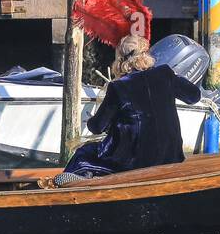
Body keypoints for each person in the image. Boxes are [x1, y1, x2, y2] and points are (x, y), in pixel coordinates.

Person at [57, 34, 202, 185]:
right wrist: (174, 77)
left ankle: (80, 182)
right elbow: (194, 96)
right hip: (171, 155)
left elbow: (97, 127)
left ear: (120, 60)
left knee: (83, 153)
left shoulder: (118, 87)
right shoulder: (165, 73)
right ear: (145, 53)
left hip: (136, 161)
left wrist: (93, 120)